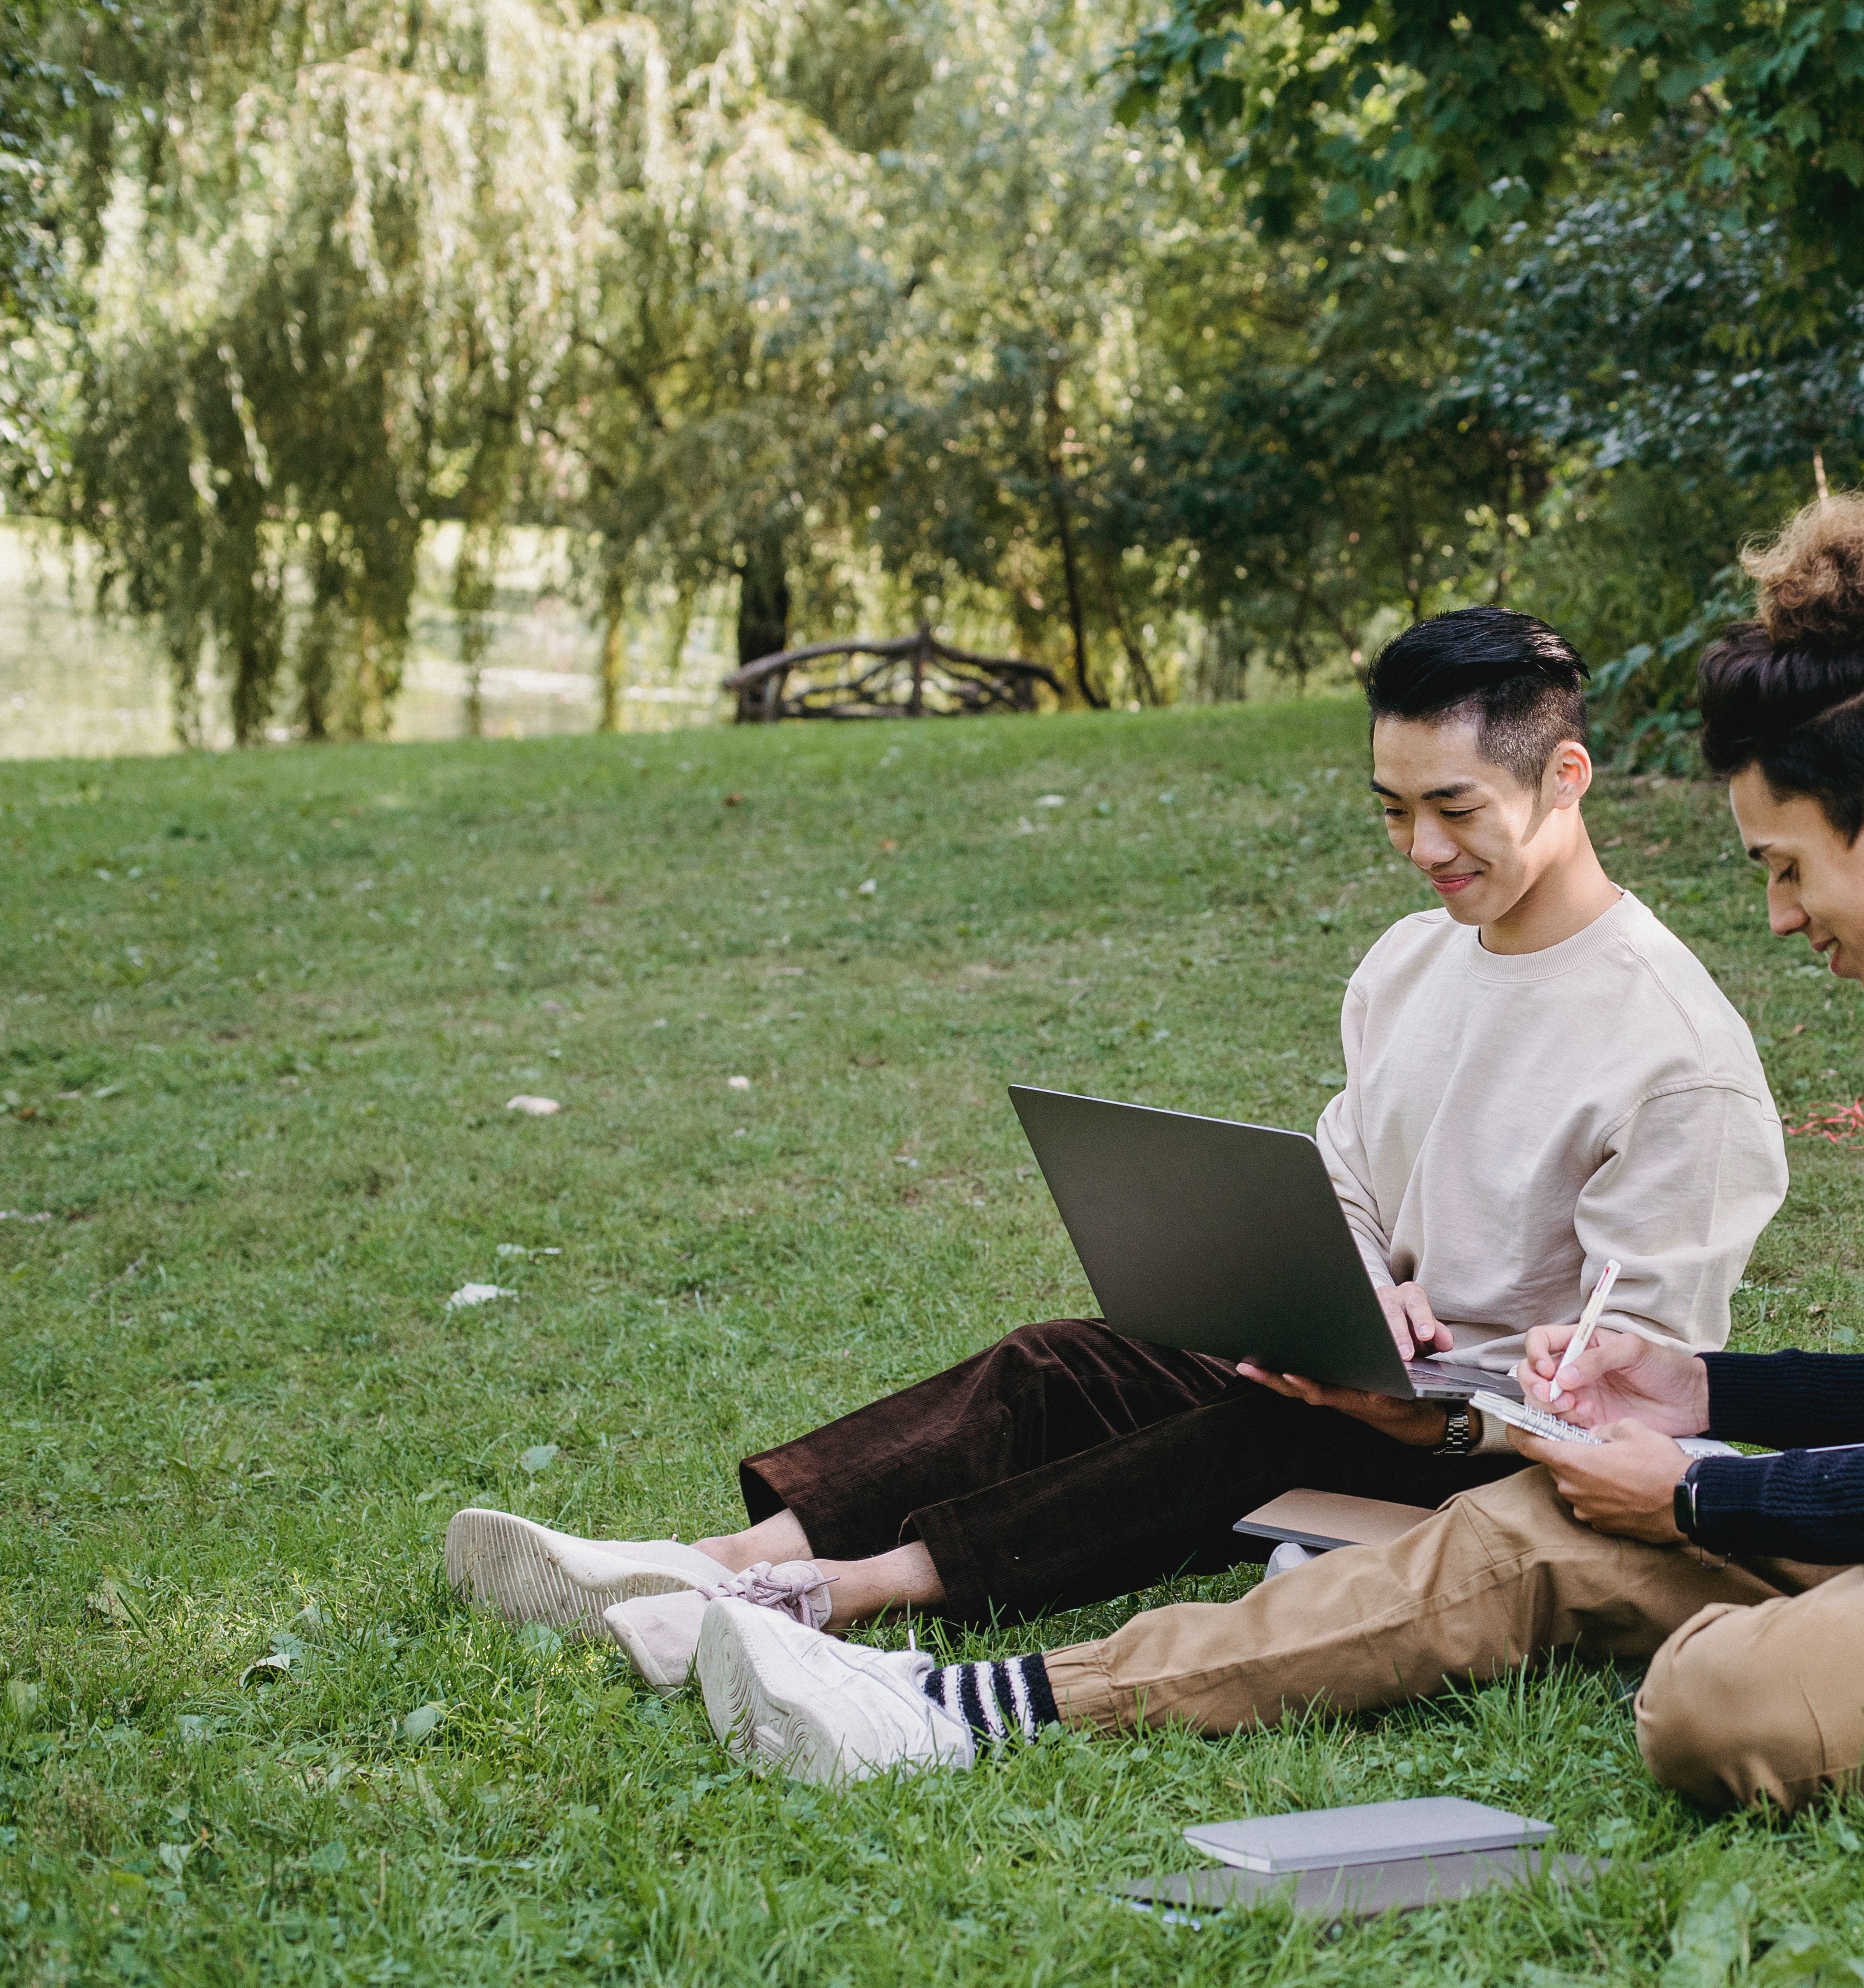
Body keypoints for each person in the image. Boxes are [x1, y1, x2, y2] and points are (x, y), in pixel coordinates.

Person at [688, 496, 1864, 1806]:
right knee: (1526, 1534)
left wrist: (1700, 1496)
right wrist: (1700, 1404)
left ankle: (919, 1652)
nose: (1780, 912)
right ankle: (966, 1710)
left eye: (1786, 865)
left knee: (1711, 1707)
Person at [444, 606, 1789, 1685]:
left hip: (1476, 1457)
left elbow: (1642, 1394)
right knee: (1062, 1360)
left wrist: (1425, 1404)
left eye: (1452, 808)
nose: (1419, 847)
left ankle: (828, 1597)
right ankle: (710, 1555)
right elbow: (1348, 1170)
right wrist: (1355, 1284)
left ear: (1566, 776)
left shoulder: (1674, 1054)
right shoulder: (1408, 963)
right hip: (1357, 1368)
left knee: (1235, 1429)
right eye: (1390, 808)